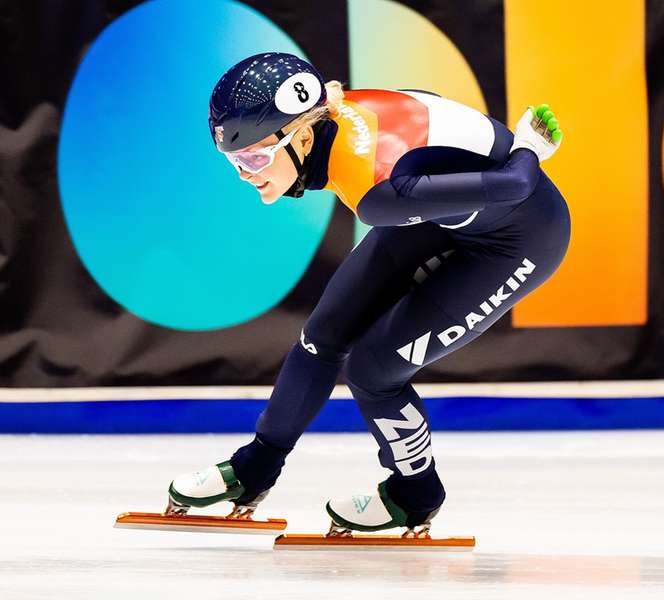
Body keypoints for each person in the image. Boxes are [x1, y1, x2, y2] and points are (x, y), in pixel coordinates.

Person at [166, 52, 569, 535]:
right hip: (445, 207)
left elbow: (516, 184)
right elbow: (430, 109)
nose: (245, 174)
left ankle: (415, 494)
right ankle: (255, 467)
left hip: (519, 238)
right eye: (234, 160)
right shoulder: (334, 115)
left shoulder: (375, 190)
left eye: (254, 158)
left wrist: (527, 145)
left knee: (374, 369)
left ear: (305, 137)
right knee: (322, 336)